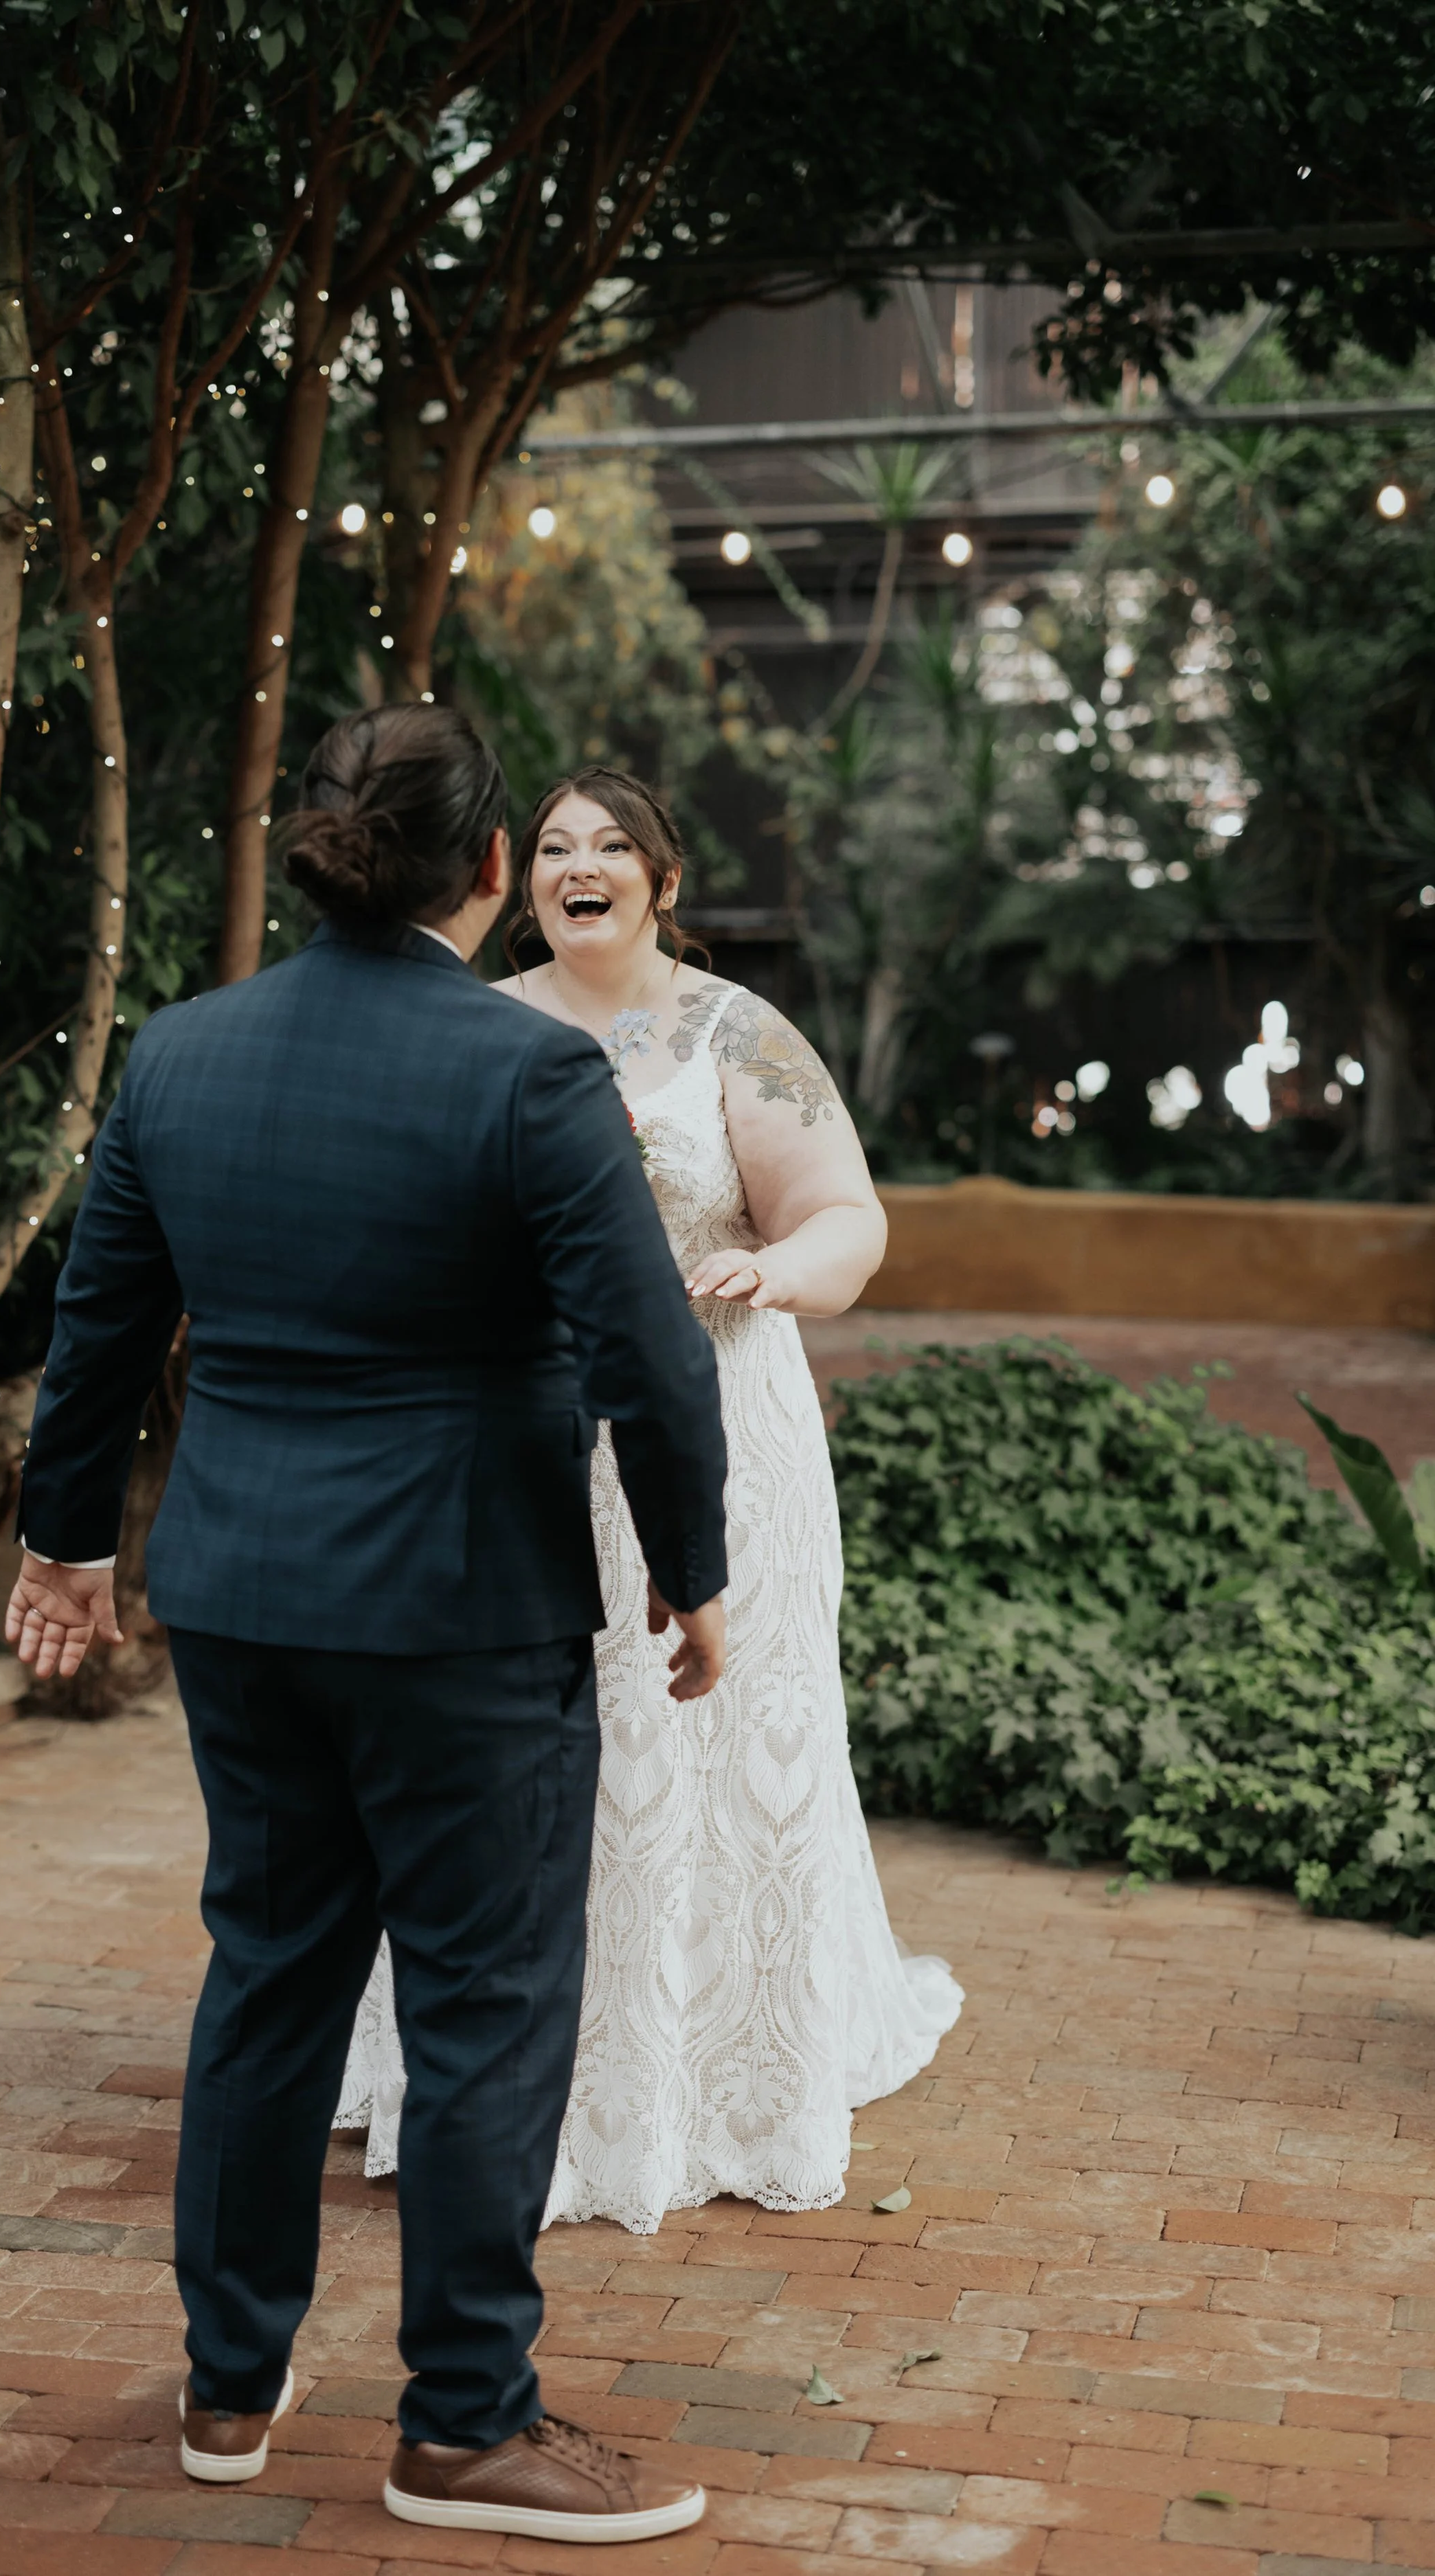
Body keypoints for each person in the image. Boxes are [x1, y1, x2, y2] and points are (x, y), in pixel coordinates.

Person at [5, 710, 730, 2538]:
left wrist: (71, 1546)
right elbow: (649, 1352)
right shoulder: (526, 1076)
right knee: (488, 2001)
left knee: (270, 1968)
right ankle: (465, 2420)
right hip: (462, 1608)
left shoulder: (181, 1053)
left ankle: (228, 2386)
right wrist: (689, 1562)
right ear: (488, 873)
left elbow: (95, 1332)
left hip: (244, 1595)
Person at [340, 767, 961, 2232]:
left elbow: (845, 1219)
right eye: (553, 845)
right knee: (543, 1745)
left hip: (717, 1426)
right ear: (513, 881)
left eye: (610, 844)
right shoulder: (474, 1029)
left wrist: (769, 1273)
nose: (580, 865)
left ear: (662, 877)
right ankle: (522, 2071)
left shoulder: (733, 1035)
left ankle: (722, 2074)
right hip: (521, 1444)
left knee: (711, 1732)